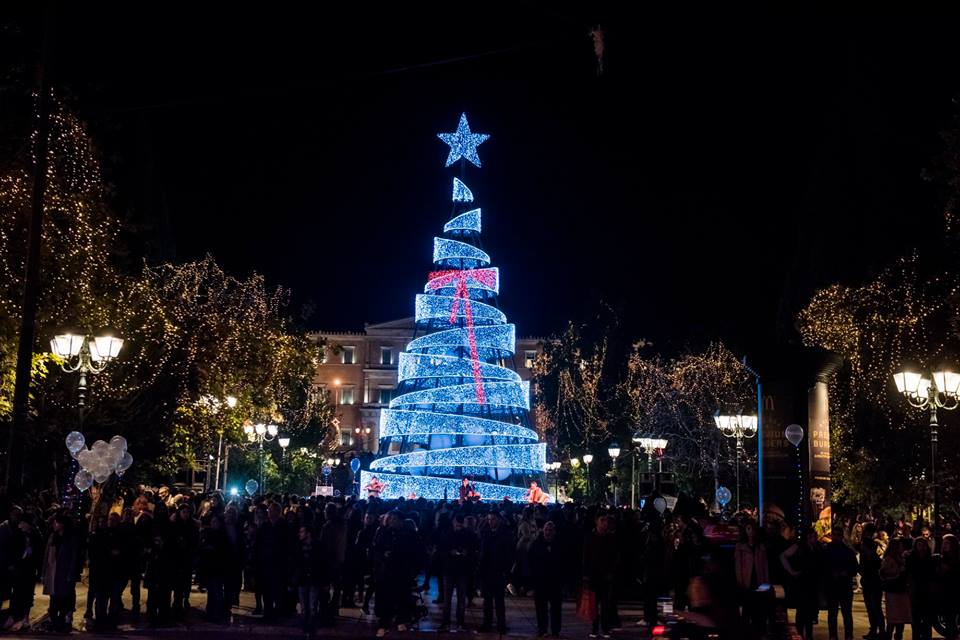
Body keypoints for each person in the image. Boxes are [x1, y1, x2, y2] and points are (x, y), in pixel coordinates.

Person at [439, 513, 479, 632]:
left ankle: (450, 622)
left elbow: (442, 550)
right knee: (454, 598)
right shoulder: (468, 535)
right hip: (456, 569)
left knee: (454, 598)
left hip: (456, 570)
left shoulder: (449, 534)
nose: (458, 525)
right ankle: (456, 622)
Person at [780, 527, 822, 640]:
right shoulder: (799, 546)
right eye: (814, 536)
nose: (816, 538)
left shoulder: (816, 547)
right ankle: (800, 635)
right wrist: (792, 571)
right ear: (809, 537)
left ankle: (808, 635)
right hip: (802, 583)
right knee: (802, 611)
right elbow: (783, 556)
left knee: (809, 612)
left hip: (811, 583)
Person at [42, 513, 80, 633]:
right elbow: (47, 555)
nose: (54, 524)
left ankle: (63, 621)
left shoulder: (71, 538)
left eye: (56, 522)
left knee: (64, 598)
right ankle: (55, 622)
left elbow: (74, 557)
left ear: (63, 524)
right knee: (54, 598)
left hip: (64, 573)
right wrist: (44, 572)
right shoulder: (53, 537)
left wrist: (71, 573)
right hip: (53, 572)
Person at [583, 514, 619, 639]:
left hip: (606, 575)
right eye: (602, 521)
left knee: (605, 604)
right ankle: (594, 628)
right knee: (594, 604)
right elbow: (586, 556)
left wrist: (611, 572)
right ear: (596, 522)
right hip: (594, 575)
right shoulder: (591, 537)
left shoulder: (610, 538)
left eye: (606, 521)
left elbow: (614, 557)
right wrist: (586, 574)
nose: (604, 523)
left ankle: (605, 628)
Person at [479, 510, 514, 634]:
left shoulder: (504, 533)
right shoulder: (487, 533)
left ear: (498, 519)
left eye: (492, 519)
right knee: (488, 600)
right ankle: (488, 623)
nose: (490, 522)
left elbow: (509, 553)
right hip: (488, 570)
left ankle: (500, 624)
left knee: (499, 600)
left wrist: (506, 569)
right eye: (489, 519)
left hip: (499, 570)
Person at [824, 523, 859, 640]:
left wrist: (846, 573)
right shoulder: (827, 550)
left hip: (844, 586)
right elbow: (823, 567)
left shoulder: (847, 551)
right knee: (833, 613)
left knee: (845, 613)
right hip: (833, 585)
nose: (836, 537)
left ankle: (847, 635)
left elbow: (854, 568)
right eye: (835, 535)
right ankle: (834, 635)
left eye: (838, 535)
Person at [734, 520, 770, 633]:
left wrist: (766, 583)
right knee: (747, 609)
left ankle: (758, 631)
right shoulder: (740, 547)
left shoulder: (760, 546)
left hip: (758, 581)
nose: (751, 532)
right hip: (747, 582)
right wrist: (741, 583)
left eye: (753, 529)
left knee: (758, 610)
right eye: (748, 529)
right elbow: (738, 566)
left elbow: (765, 566)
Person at [530, 520, 564, 638]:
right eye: (546, 530)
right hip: (541, 581)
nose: (548, 532)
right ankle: (542, 628)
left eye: (550, 530)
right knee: (541, 607)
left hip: (555, 581)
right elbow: (531, 562)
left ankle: (555, 629)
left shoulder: (559, 545)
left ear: (554, 532)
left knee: (556, 607)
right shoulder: (536, 544)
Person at [293, 525, 324, 634]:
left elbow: (322, 564)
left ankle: (310, 628)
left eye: (302, 532)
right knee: (305, 607)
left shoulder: (318, 546)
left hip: (313, 579)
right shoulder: (299, 546)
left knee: (312, 607)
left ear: (308, 533)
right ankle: (305, 627)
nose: (299, 534)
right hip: (303, 579)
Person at [906, 535, 936, 640]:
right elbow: (908, 573)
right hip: (915, 590)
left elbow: (932, 574)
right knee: (915, 619)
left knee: (927, 620)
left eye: (923, 544)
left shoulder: (930, 559)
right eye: (919, 544)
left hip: (927, 591)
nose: (922, 547)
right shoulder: (911, 558)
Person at [880, 539, 910, 640]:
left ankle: (897, 637)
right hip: (893, 591)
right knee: (893, 619)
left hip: (901, 590)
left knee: (900, 619)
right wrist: (898, 574)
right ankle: (889, 636)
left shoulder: (901, 558)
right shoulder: (889, 559)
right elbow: (884, 574)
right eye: (899, 546)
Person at [859, 523, 885, 639]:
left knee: (874, 606)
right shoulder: (867, 544)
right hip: (870, 577)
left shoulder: (873, 545)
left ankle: (878, 629)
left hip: (873, 578)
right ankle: (876, 629)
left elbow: (877, 561)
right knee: (873, 606)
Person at [937, 533, 959, 640]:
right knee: (948, 617)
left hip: (954, 591)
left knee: (951, 617)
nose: (944, 545)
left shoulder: (957, 558)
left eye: (947, 543)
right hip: (944, 591)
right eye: (943, 543)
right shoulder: (941, 558)